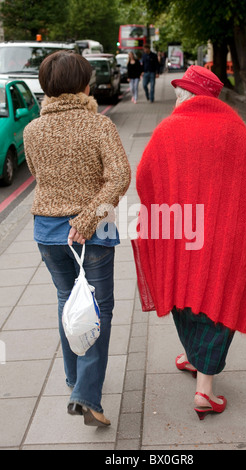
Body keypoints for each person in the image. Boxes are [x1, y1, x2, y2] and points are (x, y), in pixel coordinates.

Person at [134, 65, 246, 420]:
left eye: (179, 93)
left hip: (181, 237)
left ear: (187, 96)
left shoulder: (168, 129)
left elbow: (144, 179)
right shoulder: (235, 130)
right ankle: (198, 371)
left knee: (185, 297)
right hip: (225, 241)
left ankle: (204, 388)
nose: (175, 98)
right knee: (218, 299)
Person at [23, 50, 131, 427]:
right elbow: (119, 178)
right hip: (92, 235)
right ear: (84, 85)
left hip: (48, 234)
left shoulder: (32, 129)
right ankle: (86, 395)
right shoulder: (98, 125)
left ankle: (74, 379)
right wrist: (86, 219)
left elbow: (38, 174)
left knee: (69, 302)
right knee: (97, 311)